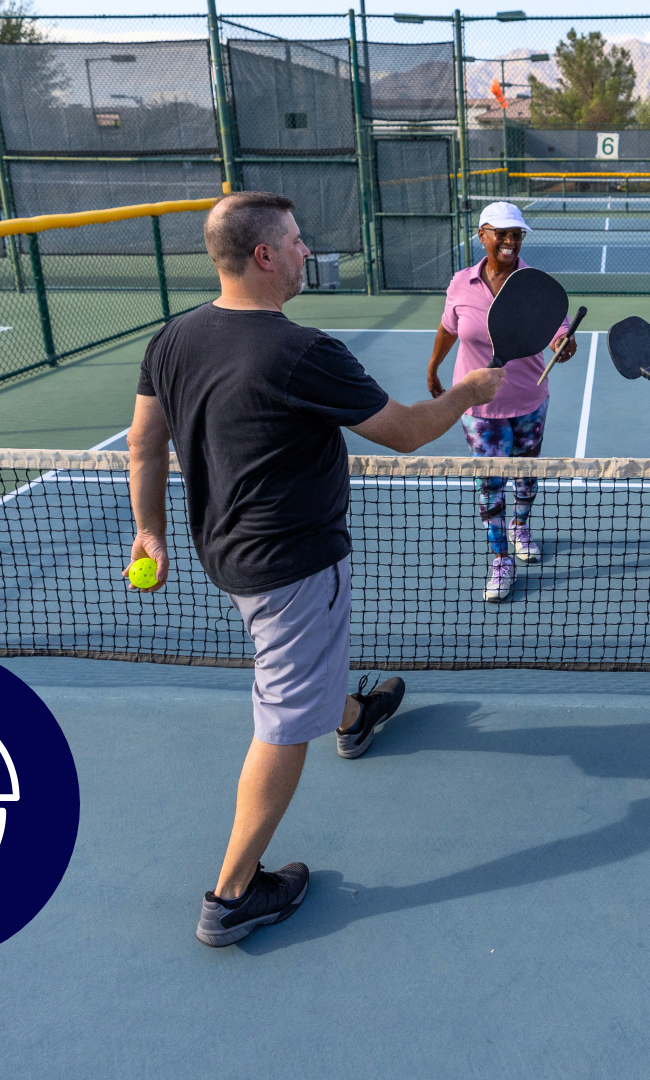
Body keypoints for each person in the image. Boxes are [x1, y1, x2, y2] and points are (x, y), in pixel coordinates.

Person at [125, 191, 506, 947]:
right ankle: (233, 894)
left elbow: (143, 444)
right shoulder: (299, 350)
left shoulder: (172, 338)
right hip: (291, 565)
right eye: (297, 241)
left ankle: (354, 716)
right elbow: (401, 431)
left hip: (223, 553)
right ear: (264, 255)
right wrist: (467, 392)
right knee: (280, 720)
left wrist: (147, 531)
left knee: (299, 661)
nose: (307, 251)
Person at [426, 202, 577, 603]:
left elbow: (556, 327)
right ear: (482, 236)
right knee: (490, 486)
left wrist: (562, 343)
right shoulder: (461, 282)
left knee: (526, 477)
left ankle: (522, 526)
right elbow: (448, 327)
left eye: (517, 234)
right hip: (478, 408)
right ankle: (501, 560)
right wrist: (433, 367)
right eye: (502, 233)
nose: (511, 241)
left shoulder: (532, 282)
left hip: (529, 401)